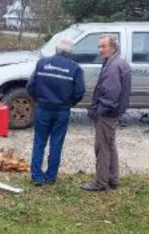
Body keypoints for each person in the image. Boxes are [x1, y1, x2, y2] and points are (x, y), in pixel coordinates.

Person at [27, 38, 85, 186]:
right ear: (70, 52)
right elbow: (79, 92)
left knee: (39, 142)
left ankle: (36, 176)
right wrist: (69, 103)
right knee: (56, 143)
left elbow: (30, 86)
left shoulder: (42, 63)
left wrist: (39, 99)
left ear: (56, 49)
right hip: (62, 111)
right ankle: (51, 177)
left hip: (43, 108)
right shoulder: (75, 68)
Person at [81, 34, 131, 192]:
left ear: (113, 47)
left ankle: (101, 183)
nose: (100, 50)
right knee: (110, 146)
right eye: (99, 46)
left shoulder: (113, 67)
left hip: (107, 114)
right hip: (113, 113)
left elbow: (111, 95)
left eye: (104, 46)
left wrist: (98, 112)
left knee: (102, 148)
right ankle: (112, 179)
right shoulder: (117, 62)